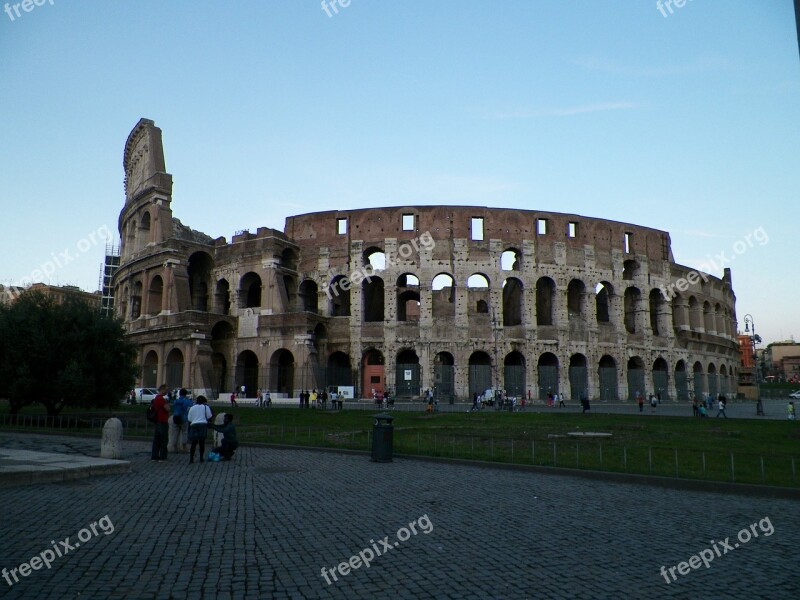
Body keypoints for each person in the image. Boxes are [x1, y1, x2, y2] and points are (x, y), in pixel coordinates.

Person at [187, 396, 213, 463]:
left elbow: (189, 418)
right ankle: (201, 458)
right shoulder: (205, 407)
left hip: (194, 425)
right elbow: (209, 416)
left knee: (193, 443)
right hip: (203, 424)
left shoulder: (192, 408)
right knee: (202, 442)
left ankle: (191, 459)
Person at [150, 384, 171, 462]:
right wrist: (168, 405)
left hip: (158, 421)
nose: (167, 392)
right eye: (166, 390)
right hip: (162, 421)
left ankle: (154, 456)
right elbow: (167, 408)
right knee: (163, 440)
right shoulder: (161, 399)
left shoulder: (156, 398)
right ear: (162, 390)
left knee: (157, 440)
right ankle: (162, 457)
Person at [169, 388, 192, 453]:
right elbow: (189, 407)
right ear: (186, 394)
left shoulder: (176, 401)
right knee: (184, 433)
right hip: (183, 418)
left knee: (175, 433)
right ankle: (184, 447)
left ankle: (175, 447)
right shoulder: (186, 401)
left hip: (175, 417)